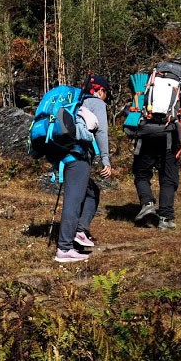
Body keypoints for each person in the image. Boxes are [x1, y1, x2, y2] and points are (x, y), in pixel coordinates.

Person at [54, 74, 113, 263]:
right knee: (74, 200)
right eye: (105, 93)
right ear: (99, 91)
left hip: (66, 153)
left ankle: (79, 231)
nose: (105, 97)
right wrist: (106, 159)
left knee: (91, 192)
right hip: (78, 156)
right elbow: (102, 131)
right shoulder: (96, 103)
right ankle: (64, 249)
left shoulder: (77, 102)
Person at [132, 100, 181, 230]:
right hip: (170, 141)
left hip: (146, 138)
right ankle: (165, 219)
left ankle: (147, 204)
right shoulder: (178, 99)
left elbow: (132, 120)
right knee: (168, 179)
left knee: (141, 174)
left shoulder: (146, 95)